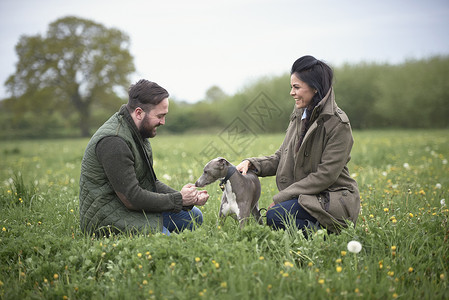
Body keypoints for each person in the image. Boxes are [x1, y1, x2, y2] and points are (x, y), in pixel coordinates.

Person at [236, 55, 360, 235]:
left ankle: (333, 237)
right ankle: (314, 235)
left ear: (315, 89)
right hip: (308, 196)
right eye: (291, 87)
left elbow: (326, 175)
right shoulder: (300, 115)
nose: (291, 92)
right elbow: (281, 157)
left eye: (296, 87)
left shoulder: (338, 124)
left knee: (275, 216)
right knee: (276, 216)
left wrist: (283, 197)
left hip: (332, 199)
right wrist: (252, 164)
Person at [79, 79, 209, 236]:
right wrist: (179, 199)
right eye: (160, 116)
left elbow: (150, 183)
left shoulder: (138, 132)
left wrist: (188, 198)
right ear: (139, 113)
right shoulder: (115, 142)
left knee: (193, 216)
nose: (163, 122)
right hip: (107, 218)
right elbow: (132, 198)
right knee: (164, 242)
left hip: (128, 208)